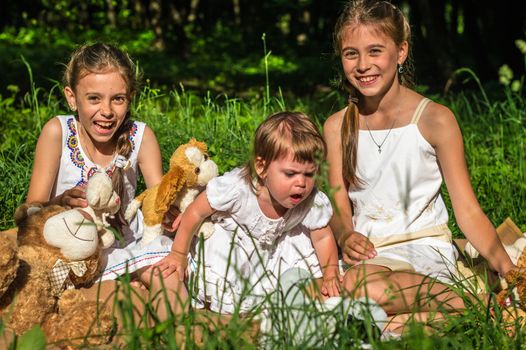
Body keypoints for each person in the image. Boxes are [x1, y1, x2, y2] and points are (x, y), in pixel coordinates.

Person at [323, 0, 516, 333]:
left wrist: (509, 271)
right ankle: (461, 308)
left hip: (424, 250)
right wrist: (346, 233)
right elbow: (339, 204)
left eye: (375, 51)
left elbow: (467, 210)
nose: (363, 64)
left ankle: (466, 300)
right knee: (360, 298)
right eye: (351, 53)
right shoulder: (337, 126)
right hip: (369, 256)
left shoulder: (434, 119)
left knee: (360, 293)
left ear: (400, 52)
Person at [26, 42, 185, 321]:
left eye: (118, 99)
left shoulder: (140, 137)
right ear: (72, 98)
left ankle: (182, 331)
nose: (107, 111)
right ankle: (122, 295)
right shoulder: (58, 132)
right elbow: (32, 210)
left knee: (165, 269)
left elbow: (160, 199)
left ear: (131, 97)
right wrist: (60, 202)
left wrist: (170, 213)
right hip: (74, 252)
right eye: (94, 98)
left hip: (126, 245)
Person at [156, 111, 341, 314]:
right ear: (261, 168)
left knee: (297, 261)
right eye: (290, 173)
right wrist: (178, 253)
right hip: (235, 243)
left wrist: (330, 271)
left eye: (309, 174)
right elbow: (195, 213)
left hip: (275, 247)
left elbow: (323, 237)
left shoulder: (311, 200)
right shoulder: (238, 188)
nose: (301, 183)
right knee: (224, 276)